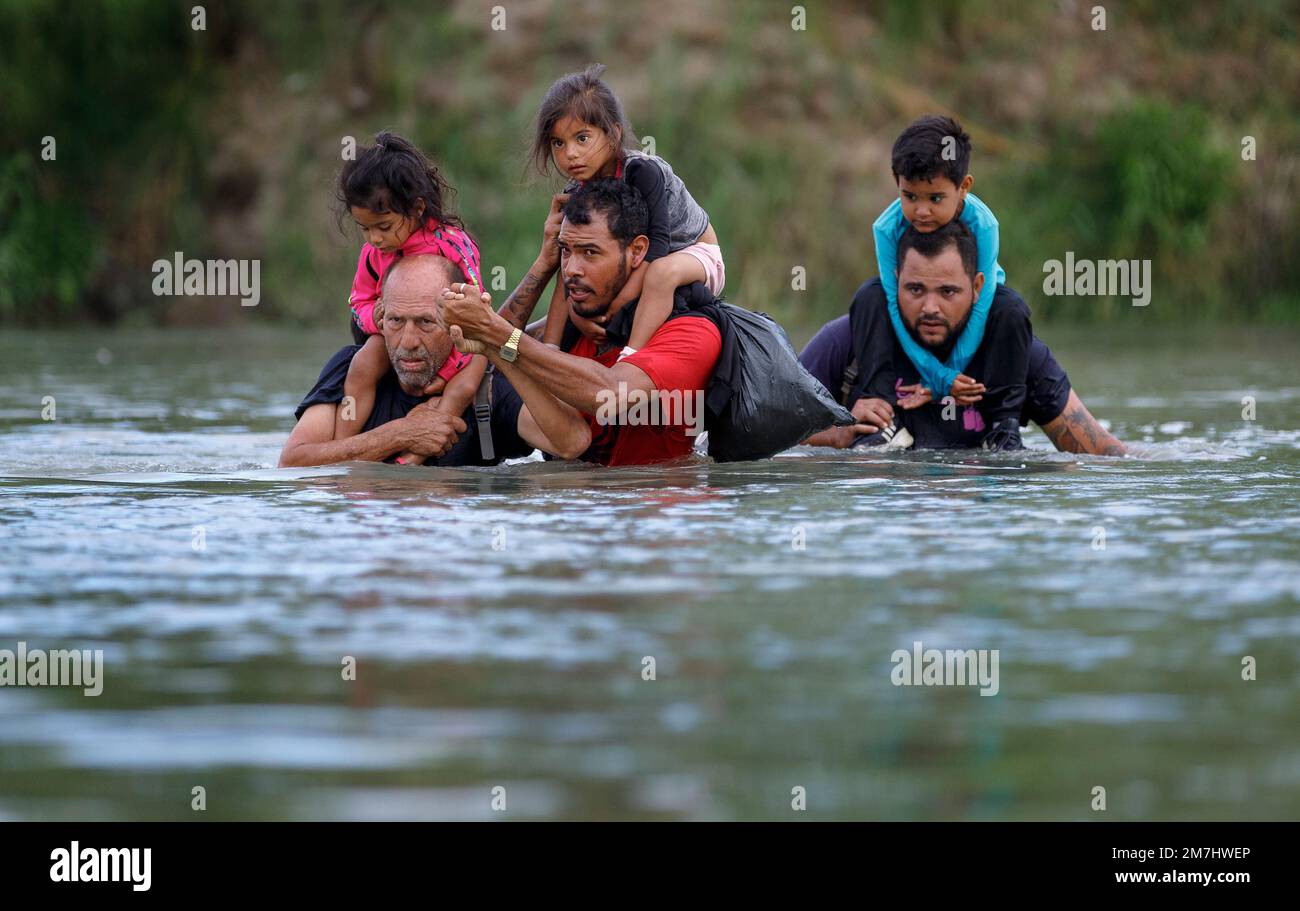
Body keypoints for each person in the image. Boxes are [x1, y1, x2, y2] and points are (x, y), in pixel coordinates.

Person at [439, 180, 724, 467]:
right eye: (565, 251)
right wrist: (486, 329)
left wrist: (496, 332)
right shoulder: (572, 327)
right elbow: (493, 354)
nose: (571, 270)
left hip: (652, 507)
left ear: (637, 251)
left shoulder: (691, 333)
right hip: (575, 504)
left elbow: (610, 394)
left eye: (590, 252)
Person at [800, 222, 1125, 455]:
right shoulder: (845, 342)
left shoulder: (1014, 350)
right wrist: (836, 434)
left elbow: (1105, 454)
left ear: (978, 287)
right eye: (915, 289)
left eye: (948, 291)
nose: (930, 307)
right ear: (895, 281)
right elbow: (760, 436)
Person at [278, 255, 585, 468]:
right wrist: (402, 433)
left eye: (426, 322)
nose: (408, 342)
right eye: (396, 321)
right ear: (381, 317)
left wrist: (499, 351)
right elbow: (292, 462)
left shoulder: (487, 391)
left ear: (456, 322)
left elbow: (572, 442)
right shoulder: (350, 369)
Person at [531, 64, 725, 361]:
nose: (570, 153)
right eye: (559, 143)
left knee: (660, 273)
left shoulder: (643, 171)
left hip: (692, 254)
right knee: (571, 262)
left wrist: (615, 306)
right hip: (637, 258)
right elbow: (566, 266)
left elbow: (658, 245)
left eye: (582, 138)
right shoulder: (576, 190)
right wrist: (576, 315)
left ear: (613, 135)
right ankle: (550, 351)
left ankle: (631, 358)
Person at [866, 115, 1023, 442]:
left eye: (935, 198)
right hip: (914, 317)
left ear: (964, 187)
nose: (921, 211)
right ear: (897, 183)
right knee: (870, 297)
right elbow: (895, 304)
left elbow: (982, 307)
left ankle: (1004, 424)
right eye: (909, 197)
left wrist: (945, 380)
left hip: (972, 312)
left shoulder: (985, 226)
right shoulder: (885, 228)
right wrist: (940, 377)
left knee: (1012, 307)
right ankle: (877, 409)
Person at [334, 131, 486, 465]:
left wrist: (451, 365)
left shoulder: (451, 243)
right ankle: (344, 448)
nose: (375, 238)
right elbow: (357, 302)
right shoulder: (373, 255)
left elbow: (477, 298)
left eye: (384, 226)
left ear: (417, 208)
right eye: (365, 228)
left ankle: (414, 457)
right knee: (361, 364)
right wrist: (373, 317)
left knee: (464, 385)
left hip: (456, 339)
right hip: (393, 340)